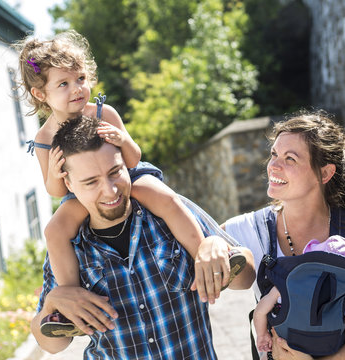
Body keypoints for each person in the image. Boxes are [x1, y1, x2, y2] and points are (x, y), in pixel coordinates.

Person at [14, 31, 232, 314]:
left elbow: (133, 158)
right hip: (81, 195)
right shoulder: (46, 137)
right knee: (54, 230)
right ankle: (70, 299)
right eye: (64, 84)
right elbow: (55, 191)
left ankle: (201, 252)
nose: (77, 89)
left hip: (125, 176)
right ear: (41, 94)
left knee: (162, 196)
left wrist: (122, 140)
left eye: (80, 79)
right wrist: (56, 174)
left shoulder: (104, 113)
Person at [31, 116, 256, 358]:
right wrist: (52, 303)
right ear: (69, 183)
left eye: (115, 172)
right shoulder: (67, 246)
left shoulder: (171, 212)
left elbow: (245, 278)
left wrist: (216, 245)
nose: (110, 190)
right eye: (91, 182)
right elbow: (52, 345)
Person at [222, 110, 345, 359]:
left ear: (325, 173)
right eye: (274, 154)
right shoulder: (250, 228)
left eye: (290, 159)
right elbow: (201, 238)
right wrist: (211, 244)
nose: (274, 165)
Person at [253, 235, 345, 353]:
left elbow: (260, 312)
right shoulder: (339, 298)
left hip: (286, 347)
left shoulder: (283, 287)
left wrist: (262, 334)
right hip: (328, 349)